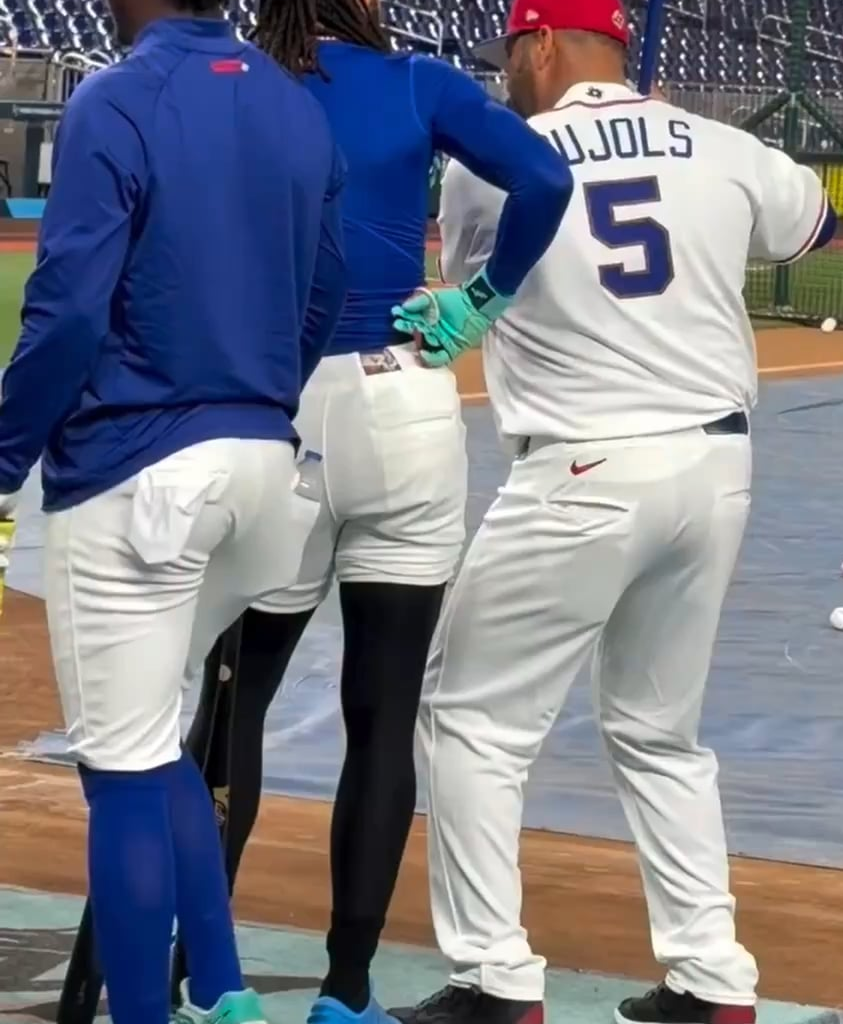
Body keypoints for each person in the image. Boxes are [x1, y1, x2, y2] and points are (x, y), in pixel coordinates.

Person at [390, 0, 837, 1022]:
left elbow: (468, 294)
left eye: (510, 50)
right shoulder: (719, 143)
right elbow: (819, 225)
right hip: (715, 471)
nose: (504, 71)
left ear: (543, 44)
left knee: (470, 722)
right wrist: (679, 154)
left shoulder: (492, 160)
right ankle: (713, 977)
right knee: (660, 732)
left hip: (582, 469)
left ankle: (495, 977)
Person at [182, 2, 573, 1023]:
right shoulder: (417, 86)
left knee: (238, 698)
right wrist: (482, 300)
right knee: (383, 712)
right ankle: (346, 989)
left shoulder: (239, 82)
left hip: (282, 396)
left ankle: (209, 968)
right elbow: (546, 178)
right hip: (405, 398)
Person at [0, 0, 348, 1021]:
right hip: (261, 470)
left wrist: (5, 452)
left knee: (119, 773)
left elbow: (66, 309)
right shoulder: (295, 107)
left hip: (141, 476)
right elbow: (322, 290)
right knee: (157, 741)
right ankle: (228, 993)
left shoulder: (117, 98)